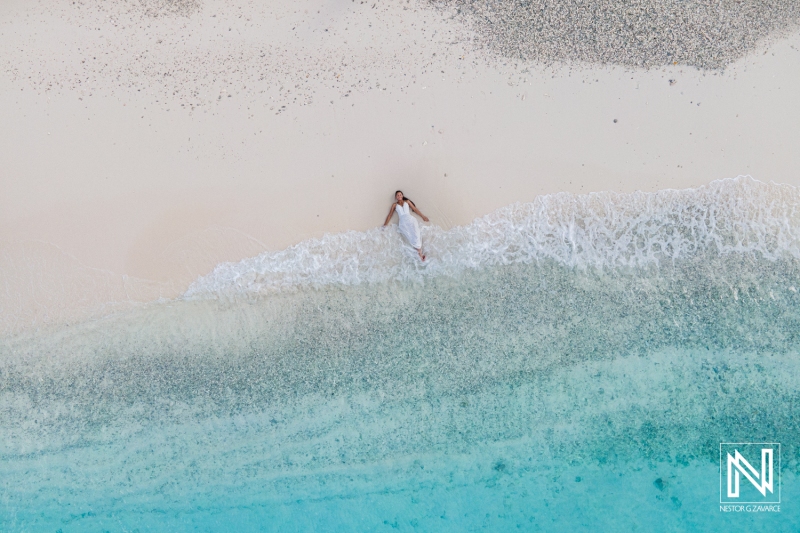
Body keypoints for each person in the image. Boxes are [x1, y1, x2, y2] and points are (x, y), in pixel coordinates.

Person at [383, 190, 429, 261]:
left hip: (411, 220)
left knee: (416, 234)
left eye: (400, 195)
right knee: (411, 237)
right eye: (397, 195)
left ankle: (419, 254)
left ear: (402, 195)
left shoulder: (407, 202)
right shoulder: (394, 205)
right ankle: (419, 254)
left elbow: (414, 209)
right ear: (396, 197)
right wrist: (385, 225)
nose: (399, 196)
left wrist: (423, 216)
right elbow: (390, 215)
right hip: (403, 223)